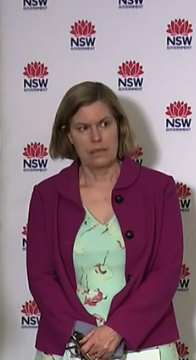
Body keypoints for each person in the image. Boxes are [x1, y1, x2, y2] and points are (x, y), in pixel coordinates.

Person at [25, 81, 184, 360]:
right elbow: (40, 277)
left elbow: (166, 272)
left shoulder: (159, 189)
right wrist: (82, 336)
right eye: (83, 128)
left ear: (119, 126)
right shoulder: (46, 196)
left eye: (104, 124)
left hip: (146, 345)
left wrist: (116, 330)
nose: (96, 137)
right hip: (67, 345)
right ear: (69, 135)